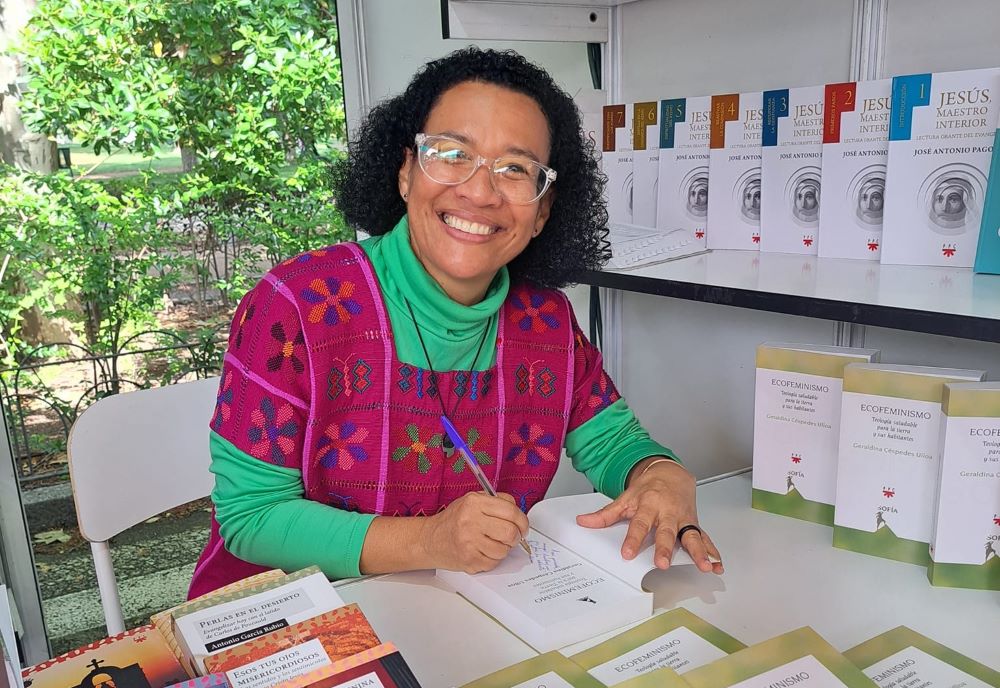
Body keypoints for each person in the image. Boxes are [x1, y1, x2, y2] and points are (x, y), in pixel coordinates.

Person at [188, 47, 723, 598]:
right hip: (285, 622)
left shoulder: (547, 324)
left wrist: (660, 474)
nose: (480, 191)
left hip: (457, 612)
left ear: (541, 211)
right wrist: (430, 541)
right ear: (404, 171)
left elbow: (613, 442)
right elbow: (250, 518)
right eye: (450, 153)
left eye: (515, 169)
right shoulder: (297, 307)